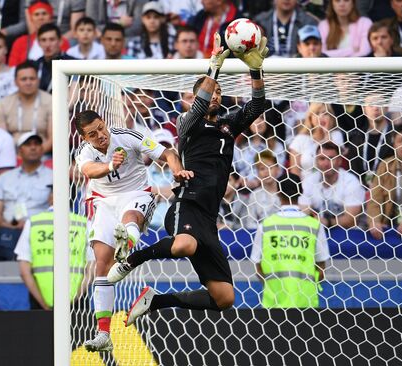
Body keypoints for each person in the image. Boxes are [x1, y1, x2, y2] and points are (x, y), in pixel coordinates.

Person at [107, 33, 268, 327]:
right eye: (211, 91)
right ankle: (132, 260)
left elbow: (257, 106)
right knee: (184, 245)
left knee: (224, 298)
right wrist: (213, 68)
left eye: (220, 92)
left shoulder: (228, 127)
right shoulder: (188, 123)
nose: (216, 95)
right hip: (187, 203)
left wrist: (255, 70)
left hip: (208, 217)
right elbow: (199, 103)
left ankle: (156, 300)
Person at [73, 109, 191, 352]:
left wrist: (176, 169)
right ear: (85, 138)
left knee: (130, 218)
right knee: (102, 266)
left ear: (105, 123)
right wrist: (109, 165)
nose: (101, 135)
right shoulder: (85, 152)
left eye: (101, 128)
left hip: (137, 194)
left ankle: (126, 243)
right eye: (93, 134)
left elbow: (166, 152)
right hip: (103, 201)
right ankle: (103, 333)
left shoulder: (126, 137)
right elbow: (88, 172)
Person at [250, 173, 330, 308]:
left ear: (278, 192)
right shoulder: (314, 225)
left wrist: (273, 285)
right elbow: (321, 269)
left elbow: (258, 268)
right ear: (301, 191)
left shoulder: (266, 225)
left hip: (273, 303)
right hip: (306, 302)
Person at [14, 190, 89, 310]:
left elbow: (24, 270)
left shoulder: (34, 222)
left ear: (49, 198)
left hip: (40, 299)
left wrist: (43, 304)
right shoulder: (84, 224)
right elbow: (92, 268)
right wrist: (75, 299)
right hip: (77, 303)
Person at [0, 132, 52, 230]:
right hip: (9, 231)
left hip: (41, 231)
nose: (33, 148)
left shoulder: (54, 177)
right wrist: (8, 227)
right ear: (19, 151)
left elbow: (58, 210)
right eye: (28, 144)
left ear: (42, 149)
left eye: (37, 144)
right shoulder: (4, 178)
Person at [299, 142, 365, 228]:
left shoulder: (351, 182)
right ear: (316, 161)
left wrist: (327, 222)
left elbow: (351, 220)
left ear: (339, 161)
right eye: (322, 158)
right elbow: (303, 213)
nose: (326, 164)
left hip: (347, 235)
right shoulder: (309, 180)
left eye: (331, 158)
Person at [0, 61, 53, 153]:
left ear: (38, 80)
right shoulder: (3, 104)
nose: (28, 83)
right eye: (24, 79)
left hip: (43, 155)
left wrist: (34, 156)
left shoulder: (51, 101)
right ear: (15, 82)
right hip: (12, 155)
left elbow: (53, 139)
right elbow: (2, 138)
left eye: (32, 78)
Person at [345, 94, 394, 184]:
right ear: (364, 109)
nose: (375, 108)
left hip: (388, 187)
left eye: (379, 104)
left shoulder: (395, 137)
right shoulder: (356, 137)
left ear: (387, 108)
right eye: (371, 105)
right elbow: (353, 169)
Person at [288, 102, 344, 179]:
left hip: (332, 182)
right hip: (306, 185)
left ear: (331, 117)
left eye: (325, 113)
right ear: (310, 118)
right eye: (317, 113)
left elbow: (335, 161)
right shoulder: (300, 139)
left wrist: (327, 134)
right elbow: (295, 172)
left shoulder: (336, 135)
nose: (321, 117)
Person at [8, 0, 69, 66]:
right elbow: (13, 67)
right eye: (36, 14)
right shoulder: (20, 42)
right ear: (31, 18)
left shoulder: (61, 42)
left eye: (44, 13)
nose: (40, 17)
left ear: (51, 17)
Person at [244, 150, 282, 229]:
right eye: (262, 169)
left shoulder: (285, 192)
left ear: (277, 169)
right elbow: (250, 223)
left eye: (270, 167)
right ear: (257, 172)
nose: (266, 172)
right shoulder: (254, 195)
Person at [35, 23, 76, 93]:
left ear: (60, 41)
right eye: (43, 40)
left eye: (52, 39)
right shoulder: (35, 65)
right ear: (38, 43)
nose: (47, 45)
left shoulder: (74, 64)